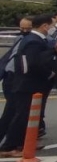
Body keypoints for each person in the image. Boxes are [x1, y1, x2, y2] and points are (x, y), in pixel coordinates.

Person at [0, 14, 55, 158]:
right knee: (20, 114)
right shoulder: (33, 41)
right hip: (25, 83)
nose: (52, 28)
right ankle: (9, 146)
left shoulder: (31, 39)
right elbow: (33, 63)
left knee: (21, 114)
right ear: (44, 26)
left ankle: (20, 142)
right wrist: (49, 74)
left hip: (21, 81)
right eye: (51, 25)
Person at [0, 18, 33, 146]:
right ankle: (9, 143)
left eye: (27, 28)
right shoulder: (23, 40)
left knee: (16, 110)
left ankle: (22, 140)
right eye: (22, 28)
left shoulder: (26, 39)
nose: (24, 31)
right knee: (13, 110)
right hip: (13, 77)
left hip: (15, 77)